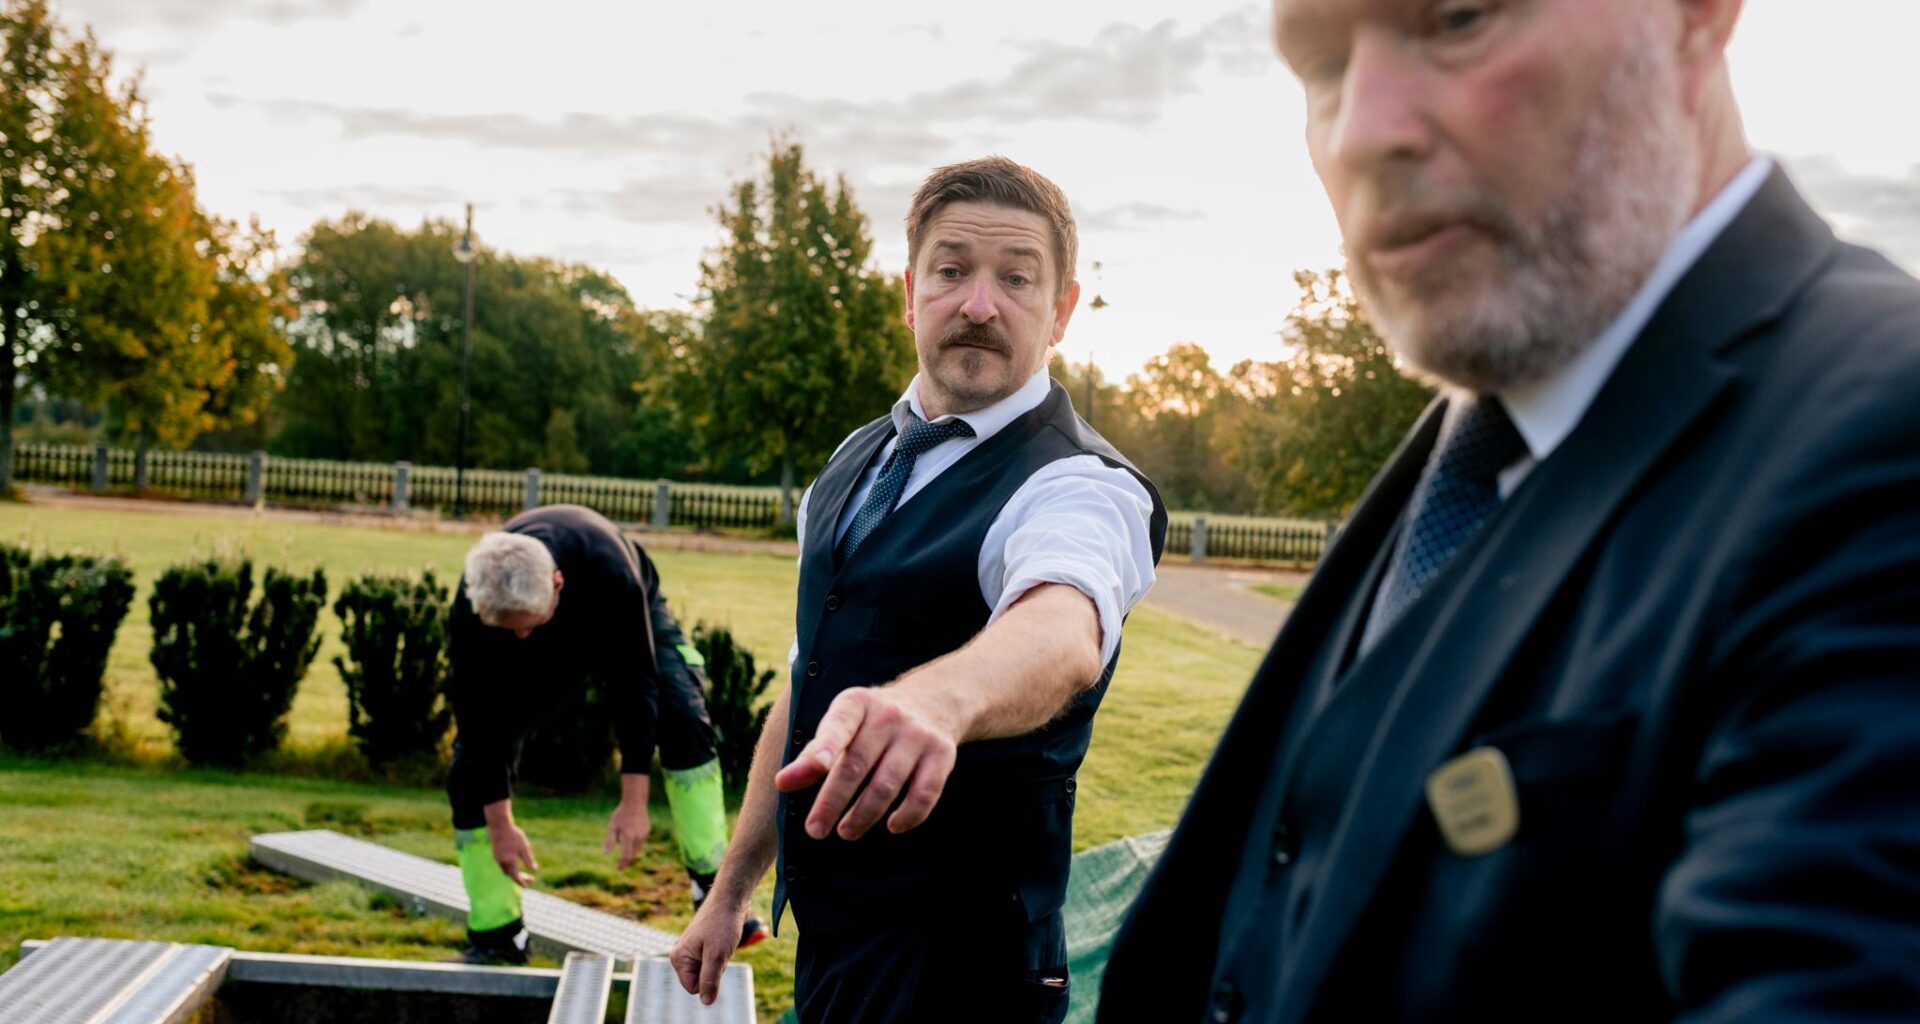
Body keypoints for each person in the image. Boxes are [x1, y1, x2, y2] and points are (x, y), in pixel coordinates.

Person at [1100, 0, 1920, 1020]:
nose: (1361, 131)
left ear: (1699, 18)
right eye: (1320, 65)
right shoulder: (1479, 438)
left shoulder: (1885, 431)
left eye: (1457, 18)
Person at [669, 157, 1167, 1022]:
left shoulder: (1081, 484)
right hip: (835, 950)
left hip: (968, 974)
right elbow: (807, 686)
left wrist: (939, 703)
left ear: (1060, 311)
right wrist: (731, 889)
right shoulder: (851, 465)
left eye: (1016, 278)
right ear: (910, 293)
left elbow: (1063, 624)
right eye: (951, 271)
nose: (979, 304)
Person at [446, 503, 767, 964]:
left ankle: (715, 891)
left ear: (557, 583)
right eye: (507, 630)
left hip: (624, 616)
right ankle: (497, 936)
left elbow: (635, 681)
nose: (520, 640)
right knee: (467, 771)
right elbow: (478, 719)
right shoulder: (476, 599)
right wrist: (500, 823)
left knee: (680, 716)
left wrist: (634, 799)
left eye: (526, 628)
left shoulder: (609, 568)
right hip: (535, 617)